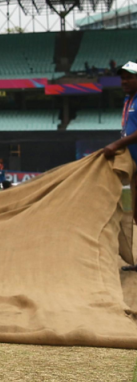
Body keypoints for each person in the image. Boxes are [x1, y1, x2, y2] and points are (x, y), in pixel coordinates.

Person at [99, 61, 137, 265]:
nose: (125, 81)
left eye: (130, 77)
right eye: (122, 78)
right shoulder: (128, 100)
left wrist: (117, 144)